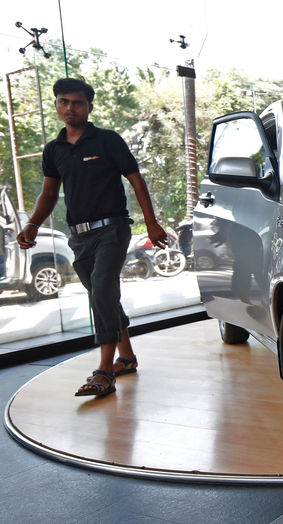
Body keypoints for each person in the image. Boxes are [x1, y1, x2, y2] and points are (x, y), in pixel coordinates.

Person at [16, 77, 167, 397]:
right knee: (105, 296)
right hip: (78, 237)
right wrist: (31, 224)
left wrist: (152, 224)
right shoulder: (53, 150)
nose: (70, 107)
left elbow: (136, 181)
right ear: (57, 104)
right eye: (64, 101)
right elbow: (48, 194)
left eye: (77, 102)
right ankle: (126, 358)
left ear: (89, 107)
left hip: (113, 229)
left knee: (101, 289)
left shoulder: (108, 140)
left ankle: (104, 371)